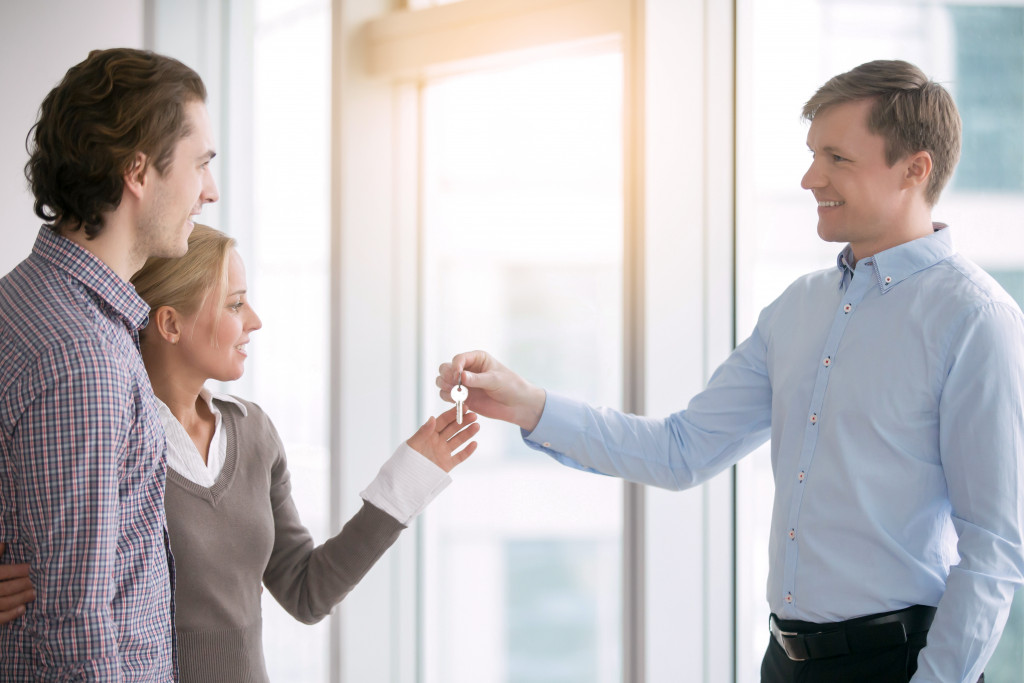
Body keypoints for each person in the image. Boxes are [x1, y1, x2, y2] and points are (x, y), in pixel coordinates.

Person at [436, 60, 1024, 683]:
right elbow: (680, 449)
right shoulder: (798, 307)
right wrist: (527, 403)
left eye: (836, 158)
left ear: (915, 168)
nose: (809, 177)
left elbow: (994, 547)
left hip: (899, 667)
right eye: (810, 154)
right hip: (784, 662)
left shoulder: (975, 320)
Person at [129, 224, 478, 682]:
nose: (254, 320)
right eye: (235, 304)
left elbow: (307, 592)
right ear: (171, 323)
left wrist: (410, 475)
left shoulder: (253, 433)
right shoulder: (117, 439)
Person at [0, 47, 218, 679]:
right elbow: (79, 628)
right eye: (200, 163)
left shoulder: (23, 300)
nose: (210, 189)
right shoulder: (84, 356)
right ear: (138, 172)